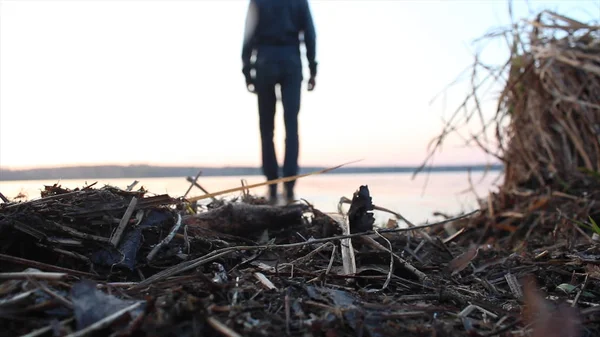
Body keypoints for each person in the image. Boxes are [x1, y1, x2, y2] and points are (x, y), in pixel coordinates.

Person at [241, 0, 317, 205]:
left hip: (265, 60)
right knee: (291, 125)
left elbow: (248, 33)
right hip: (291, 59)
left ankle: (273, 183)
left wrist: (247, 68)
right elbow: (309, 32)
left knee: (267, 128)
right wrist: (312, 66)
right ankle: (289, 183)